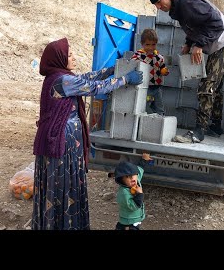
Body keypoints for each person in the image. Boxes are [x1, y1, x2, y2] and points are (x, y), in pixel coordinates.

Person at [32, 37, 143, 230]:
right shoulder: (63, 80)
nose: (74, 57)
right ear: (59, 59)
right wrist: (125, 79)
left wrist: (107, 71)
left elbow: (85, 78)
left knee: (62, 184)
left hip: (62, 141)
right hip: (62, 143)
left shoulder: (59, 76)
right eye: (70, 55)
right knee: (64, 184)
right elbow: (95, 87)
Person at [147, 0, 224, 143]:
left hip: (223, 42)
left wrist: (199, 44)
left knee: (206, 86)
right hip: (216, 43)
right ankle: (215, 127)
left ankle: (199, 132)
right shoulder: (178, 8)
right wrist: (189, 43)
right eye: (155, 5)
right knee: (216, 86)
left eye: (159, 2)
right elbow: (195, 25)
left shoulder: (189, 3)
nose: (158, 8)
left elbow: (216, 24)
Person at [131, 28, 169, 115]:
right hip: (144, 88)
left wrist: (164, 71)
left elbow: (162, 68)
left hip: (157, 88)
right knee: (143, 108)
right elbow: (131, 65)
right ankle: (144, 124)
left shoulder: (159, 57)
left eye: (153, 44)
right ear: (142, 44)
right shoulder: (138, 55)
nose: (151, 48)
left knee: (159, 109)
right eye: (147, 45)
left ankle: (159, 124)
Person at [113, 153, 152, 230]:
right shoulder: (124, 192)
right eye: (127, 177)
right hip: (129, 220)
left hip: (135, 218)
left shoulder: (136, 181)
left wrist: (144, 160)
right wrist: (139, 194)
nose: (132, 178)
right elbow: (133, 206)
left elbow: (140, 169)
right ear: (122, 180)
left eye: (133, 175)